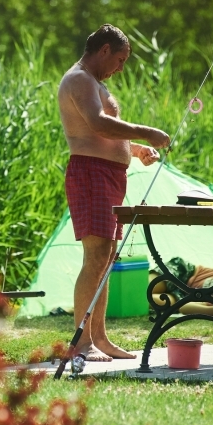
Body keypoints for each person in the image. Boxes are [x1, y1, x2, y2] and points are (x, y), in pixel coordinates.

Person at [57, 24, 170, 362]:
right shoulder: (78, 79)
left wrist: (134, 150)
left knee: (107, 259)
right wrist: (147, 132)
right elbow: (97, 123)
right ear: (104, 50)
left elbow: (105, 134)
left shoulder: (94, 82)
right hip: (90, 174)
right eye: (120, 60)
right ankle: (81, 343)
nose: (120, 68)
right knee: (95, 257)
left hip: (108, 175)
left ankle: (100, 338)